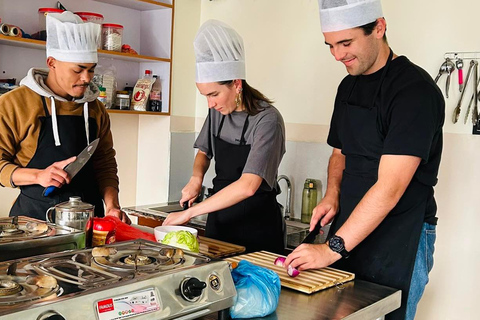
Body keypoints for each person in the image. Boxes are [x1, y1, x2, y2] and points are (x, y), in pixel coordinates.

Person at [284, 1, 444, 319]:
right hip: (351, 229)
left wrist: (331, 249)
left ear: (379, 28)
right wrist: (331, 194)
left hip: (402, 233)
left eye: (346, 43)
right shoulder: (348, 86)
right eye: (330, 45)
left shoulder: (414, 91)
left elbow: (390, 187)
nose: (337, 55)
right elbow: (339, 152)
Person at [163, 20, 286, 254]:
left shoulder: (267, 120)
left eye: (214, 94)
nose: (210, 104)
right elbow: (203, 151)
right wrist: (196, 178)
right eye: (205, 96)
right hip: (220, 224)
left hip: (257, 229)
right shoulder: (218, 112)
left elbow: (248, 186)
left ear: (236, 84)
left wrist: (189, 213)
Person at [0, 12, 130, 224]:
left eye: (91, 70)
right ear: (51, 62)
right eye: (78, 70)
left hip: (89, 220)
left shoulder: (95, 108)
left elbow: (104, 162)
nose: (86, 78)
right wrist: (38, 176)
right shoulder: (14, 104)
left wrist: (112, 206)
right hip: (33, 223)